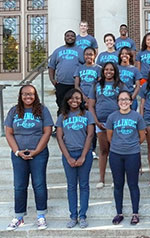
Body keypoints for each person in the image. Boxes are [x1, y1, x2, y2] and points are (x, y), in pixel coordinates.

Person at [5, 85, 53, 231]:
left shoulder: (42, 110)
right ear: (20, 95)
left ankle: (41, 216)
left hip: (38, 154)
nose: (28, 97)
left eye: (31, 94)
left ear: (35, 95)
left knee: (39, 184)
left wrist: (36, 151)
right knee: (19, 186)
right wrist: (17, 151)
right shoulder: (14, 111)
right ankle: (19, 217)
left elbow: (47, 132)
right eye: (25, 94)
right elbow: (8, 132)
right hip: (19, 154)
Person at [56, 89, 95, 229]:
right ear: (67, 100)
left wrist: (83, 155)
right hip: (68, 153)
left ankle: (83, 215)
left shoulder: (87, 115)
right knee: (71, 186)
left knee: (84, 185)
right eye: (72, 98)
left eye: (78, 98)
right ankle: (73, 216)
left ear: (81, 100)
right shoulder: (62, 116)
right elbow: (59, 138)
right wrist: (68, 157)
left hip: (84, 153)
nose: (75, 101)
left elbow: (90, 136)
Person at [106, 91, 146, 225]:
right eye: (121, 99)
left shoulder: (137, 117)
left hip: (132, 154)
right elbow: (109, 137)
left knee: (133, 184)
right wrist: (119, 145)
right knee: (118, 184)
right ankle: (119, 213)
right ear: (117, 102)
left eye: (126, 99)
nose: (123, 102)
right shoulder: (112, 117)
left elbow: (142, 136)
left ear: (131, 101)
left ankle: (135, 213)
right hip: (116, 154)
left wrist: (131, 145)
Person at [88, 62, 126, 189]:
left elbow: (125, 103)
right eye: (106, 69)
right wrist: (95, 120)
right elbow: (91, 105)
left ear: (115, 71)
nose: (108, 72)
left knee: (116, 151)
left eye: (111, 69)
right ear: (103, 71)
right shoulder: (96, 85)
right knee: (103, 150)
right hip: (101, 122)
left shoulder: (120, 85)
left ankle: (116, 179)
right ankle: (102, 179)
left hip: (116, 122)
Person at [74, 46, 101, 160]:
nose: (88, 56)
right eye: (86, 54)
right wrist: (83, 97)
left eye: (91, 54)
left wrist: (91, 99)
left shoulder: (99, 68)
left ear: (94, 55)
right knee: (83, 125)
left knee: (92, 125)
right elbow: (76, 85)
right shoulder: (79, 68)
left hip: (94, 100)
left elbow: (99, 84)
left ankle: (93, 149)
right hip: (81, 99)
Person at [48, 30, 84, 117]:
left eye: (72, 36)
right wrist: (52, 80)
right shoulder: (57, 51)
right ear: (65, 38)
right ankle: (59, 128)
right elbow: (51, 67)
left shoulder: (80, 51)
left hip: (76, 85)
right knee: (62, 107)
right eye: (68, 36)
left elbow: (85, 65)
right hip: (62, 84)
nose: (70, 37)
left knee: (79, 106)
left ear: (75, 38)